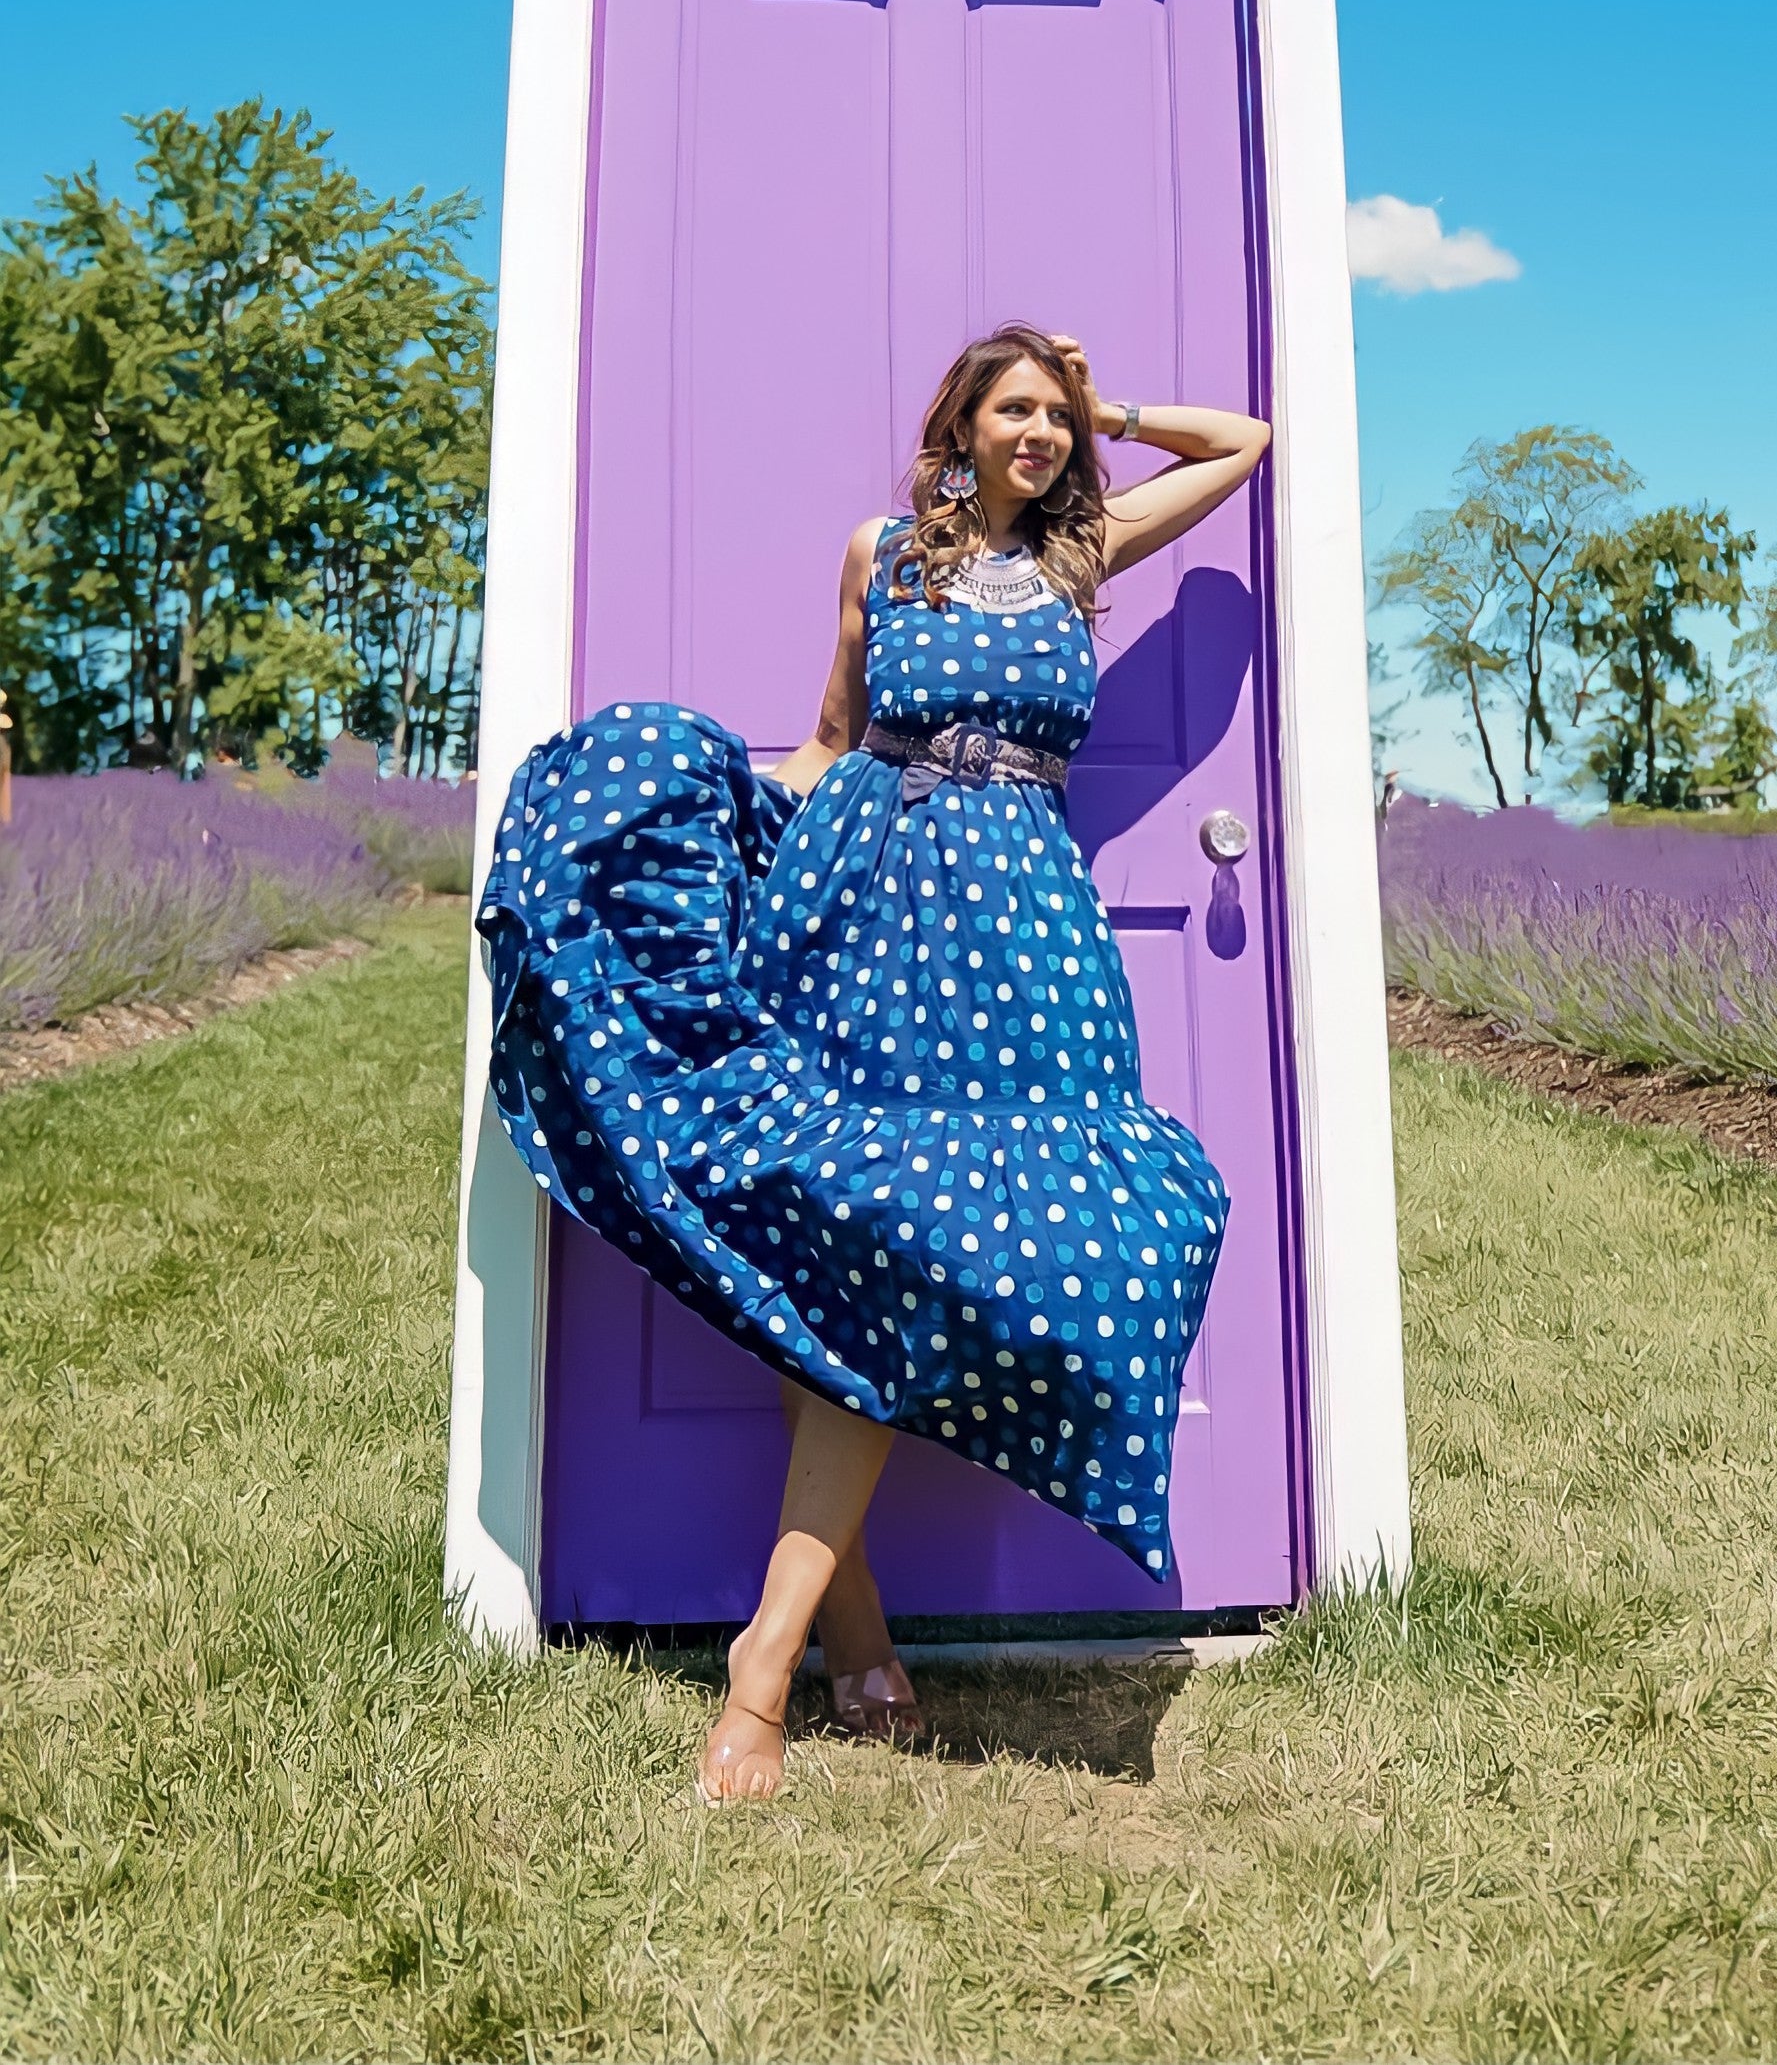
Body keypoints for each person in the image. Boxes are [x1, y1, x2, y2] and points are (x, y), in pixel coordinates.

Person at [477, 326, 1271, 1803]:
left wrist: (1118, 407)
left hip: (1024, 943)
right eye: (1014, 408)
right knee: (826, 1230)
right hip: (860, 911)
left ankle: (793, 1642)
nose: (1037, 432)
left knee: (971, 1241)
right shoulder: (882, 553)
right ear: (959, 423)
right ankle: (810, 1645)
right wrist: (682, 786)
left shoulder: (1085, 550)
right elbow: (831, 739)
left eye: (1055, 413)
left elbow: (1246, 445)